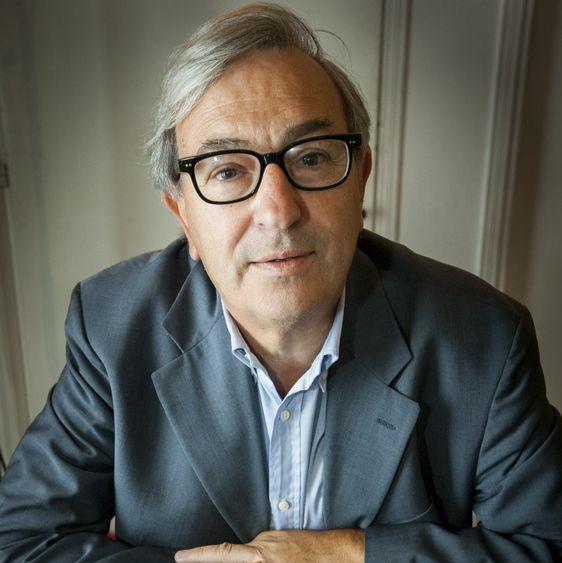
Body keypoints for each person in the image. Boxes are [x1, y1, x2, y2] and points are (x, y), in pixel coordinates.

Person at [1, 3, 561, 562]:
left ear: (360, 178)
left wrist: (350, 555)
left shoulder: (487, 339)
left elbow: (547, 545)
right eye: (227, 170)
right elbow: (22, 540)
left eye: (311, 158)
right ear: (183, 214)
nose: (278, 212)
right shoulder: (110, 326)